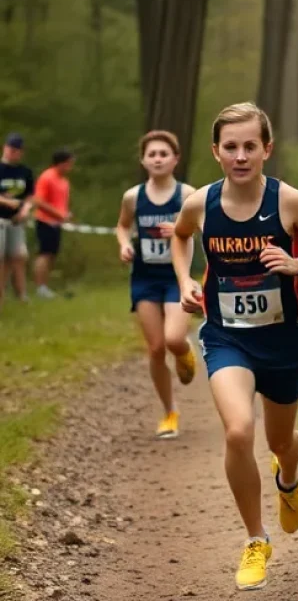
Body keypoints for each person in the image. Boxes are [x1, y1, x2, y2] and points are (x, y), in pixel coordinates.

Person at [172, 102, 298, 591]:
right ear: (216, 152)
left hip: (281, 340)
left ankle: (289, 475)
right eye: (231, 147)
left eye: (250, 145)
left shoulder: (289, 202)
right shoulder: (200, 204)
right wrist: (184, 279)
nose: (241, 155)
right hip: (225, 335)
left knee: (279, 442)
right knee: (237, 431)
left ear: (267, 149)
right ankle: (256, 539)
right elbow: (180, 237)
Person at [115, 131, 198, 439]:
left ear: (175, 159)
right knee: (155, 348)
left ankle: (185, 353)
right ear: (143, 160)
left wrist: (179, 230)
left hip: (177, 276)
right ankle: (169, 412)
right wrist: (124, 244)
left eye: (164, 153)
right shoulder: (133, 197)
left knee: (174, 339)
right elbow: (122, 226)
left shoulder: (187, 194)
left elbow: (204, 225)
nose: (158, 158)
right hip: (145, 278)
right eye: (152, 154)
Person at [33, 148, 75, 299]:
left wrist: (66, 214)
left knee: (52, 254)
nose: (71, 166)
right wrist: (58, 214)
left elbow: (61, 203)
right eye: (69, 163)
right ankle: (40, 287)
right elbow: (38, 201)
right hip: (45, 221)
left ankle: (45, 286)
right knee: (44, 254)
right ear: (61, 163)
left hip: (57, 223)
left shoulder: (64, 181)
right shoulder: (47, 177)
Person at [0, 133, 34, 308]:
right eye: (11, 149)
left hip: (16, 221)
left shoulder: (25, 172)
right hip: (1, 219)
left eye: (17, 150)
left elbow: (30, 195)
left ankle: (21, 294)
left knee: (18, 256)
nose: (13, 153)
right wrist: (7, 201)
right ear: (5, 148)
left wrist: (26, 209)